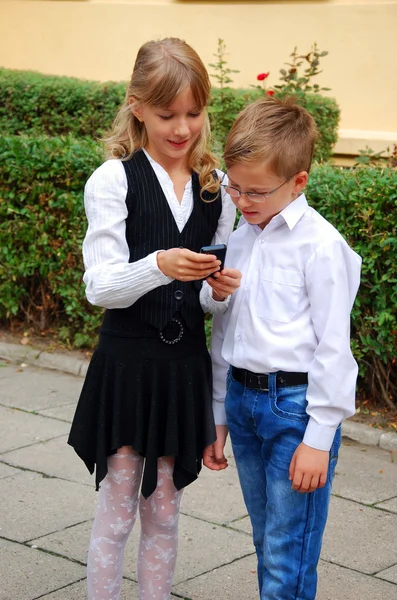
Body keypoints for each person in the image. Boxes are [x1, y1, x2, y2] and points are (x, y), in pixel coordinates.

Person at [67, 37, 240, 600]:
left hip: (182, 369)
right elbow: (101, 287)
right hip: (129, 366)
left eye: (194, 113)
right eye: (168, 114)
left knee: (164, 514)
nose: (183, 128)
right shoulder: (113, 181)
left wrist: (219, 292)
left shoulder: (218, 192)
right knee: (118, 515)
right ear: (137, 106)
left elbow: (209, 306)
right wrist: (160, 265)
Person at [203, 97, 362, 600]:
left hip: (295, 412)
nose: (242, 201)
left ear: (299, 183)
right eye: (235, 187)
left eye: (256, 191)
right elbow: (228, 332)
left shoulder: (322, 247)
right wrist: (218, 415)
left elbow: (334, 348)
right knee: (265, 539)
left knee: (286, 552)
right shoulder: (243, 234)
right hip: (244, 405)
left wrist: (319, 436)